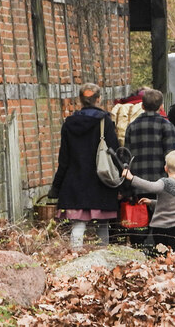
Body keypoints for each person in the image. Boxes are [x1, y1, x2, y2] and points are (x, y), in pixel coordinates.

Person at [49, 83, 119, 249]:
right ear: (99, 99)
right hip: (101, 181)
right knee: (103, 225)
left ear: (80, 100)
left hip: (75, 181)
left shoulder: (69, 124)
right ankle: (104, 260)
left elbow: (64, 158)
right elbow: (114, 152)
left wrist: (56, 186)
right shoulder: (105, 122)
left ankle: (75, 258)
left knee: (78, 225)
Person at [122, 88, 175, 245]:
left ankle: (139, 247)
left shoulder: (132, 127)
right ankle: (158, 250)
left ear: (142, 106)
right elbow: (171, 157)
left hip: (137, 180)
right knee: (160, 219)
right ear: (161, 106)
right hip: (160, 181)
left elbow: (127, 156)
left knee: (140, 220)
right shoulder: (166, 126)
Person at [123, 150, 175, 255]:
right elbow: (171, 203)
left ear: (166, 168)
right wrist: (152, 202)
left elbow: (151, 187)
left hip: (162, 228)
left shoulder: (165, 183)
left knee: (161, 256)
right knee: (174, 257)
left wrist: (132, 178)